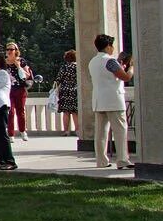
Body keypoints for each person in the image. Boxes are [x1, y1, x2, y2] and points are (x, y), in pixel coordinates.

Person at [88, 34, 133, 169]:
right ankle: (123, 160)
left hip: (98, 100)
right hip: (113, 99)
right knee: (120, 131)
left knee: (101, 133)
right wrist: (131, 68)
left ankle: (101, 160)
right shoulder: (110, 61)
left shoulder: (93, 61)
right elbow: (125, 77)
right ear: (108, 46)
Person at [2, 41, 33, 141]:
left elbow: (27, 75)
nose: (9, 51)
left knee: (20, 111)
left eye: (12, 49)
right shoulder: (3, 62)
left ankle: (23, 131)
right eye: (8, 49)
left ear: (16, 51)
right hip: (8, 90)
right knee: (10, 112)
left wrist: (18, 66)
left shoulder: (21, 61)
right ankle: (11, 134)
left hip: (20, 89)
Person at [53, 49, 79, 135]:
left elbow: (58, 79)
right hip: (75, 90)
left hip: (64, 90)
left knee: (66, 112)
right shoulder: (77, 67)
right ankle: (77, 130)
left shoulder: (64, 67)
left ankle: (66, 131)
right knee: (75, 112)